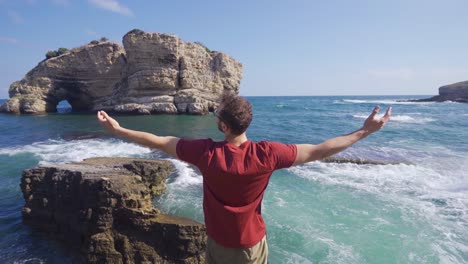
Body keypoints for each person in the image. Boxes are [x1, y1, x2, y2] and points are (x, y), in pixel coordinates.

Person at [97, 93, 391, 264]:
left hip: (218, 242)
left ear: (223, 125)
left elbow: (158, 141)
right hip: (252, 244)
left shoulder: (205, 153)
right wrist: (364, 131)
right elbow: (318, 150)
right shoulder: (268, 154)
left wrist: (118, 130)